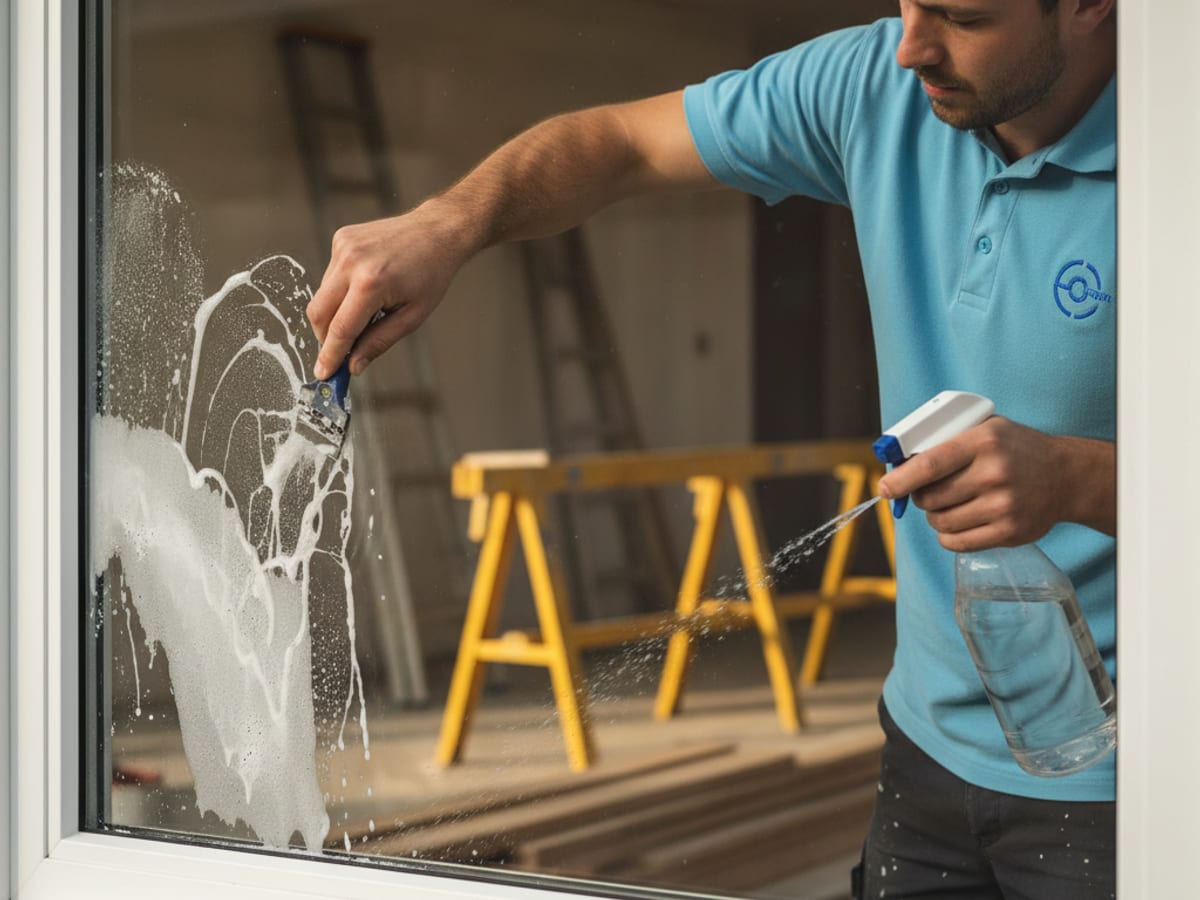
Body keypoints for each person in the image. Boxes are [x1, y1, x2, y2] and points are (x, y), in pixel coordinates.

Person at [307, 1, 1117, 896]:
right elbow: (618, 140)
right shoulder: (873, 83)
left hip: (1128, 778)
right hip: (925, 747)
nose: (912, 45)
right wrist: (450, 224)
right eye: (907, 1)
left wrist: (1079, 478)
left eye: (964, 17)